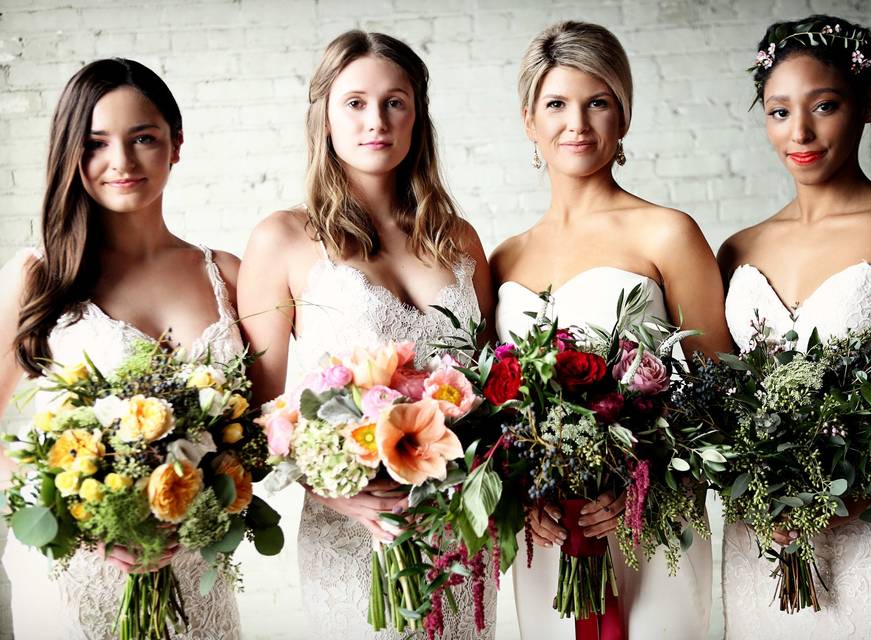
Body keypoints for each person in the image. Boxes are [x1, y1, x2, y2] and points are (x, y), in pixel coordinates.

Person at [238, 30, 497, 638]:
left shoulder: (458, 239)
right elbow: (254, 411)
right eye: (354, 102)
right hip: (353, 527)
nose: (375, 120)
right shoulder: (283, 239)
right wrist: (331, 490)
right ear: (324, 116)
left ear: (417, 115)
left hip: (458, 525)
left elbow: (489, 388)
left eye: (394, 101)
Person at [718, 15, 871, 639]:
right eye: (778, 111)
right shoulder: (736, 249)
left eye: (823, 106)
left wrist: (857, 492)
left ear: (869, 102)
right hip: (765, 541)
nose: (799, 132)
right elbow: (719, 402)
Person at [491, 21, 730, 639]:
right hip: (549, 538)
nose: (577, 124)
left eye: (597, 102)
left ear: (622, 117)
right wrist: (526, 493)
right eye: (557, 104)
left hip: (654, 524)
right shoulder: (504, 260)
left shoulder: (667, 233)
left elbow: (722, 391)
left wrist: (637, 485)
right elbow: (496, 412)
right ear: (528, 120)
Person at [0, 58, 242, 639]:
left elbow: (253, 430)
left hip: (195, 569)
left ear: (175, 146)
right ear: (70, 154)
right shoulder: (38, 276)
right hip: (82, 567)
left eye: (144, 139)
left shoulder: (226, 273)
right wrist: (81, 517)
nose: (122, 163)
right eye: (96, 143)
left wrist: (211, 501)